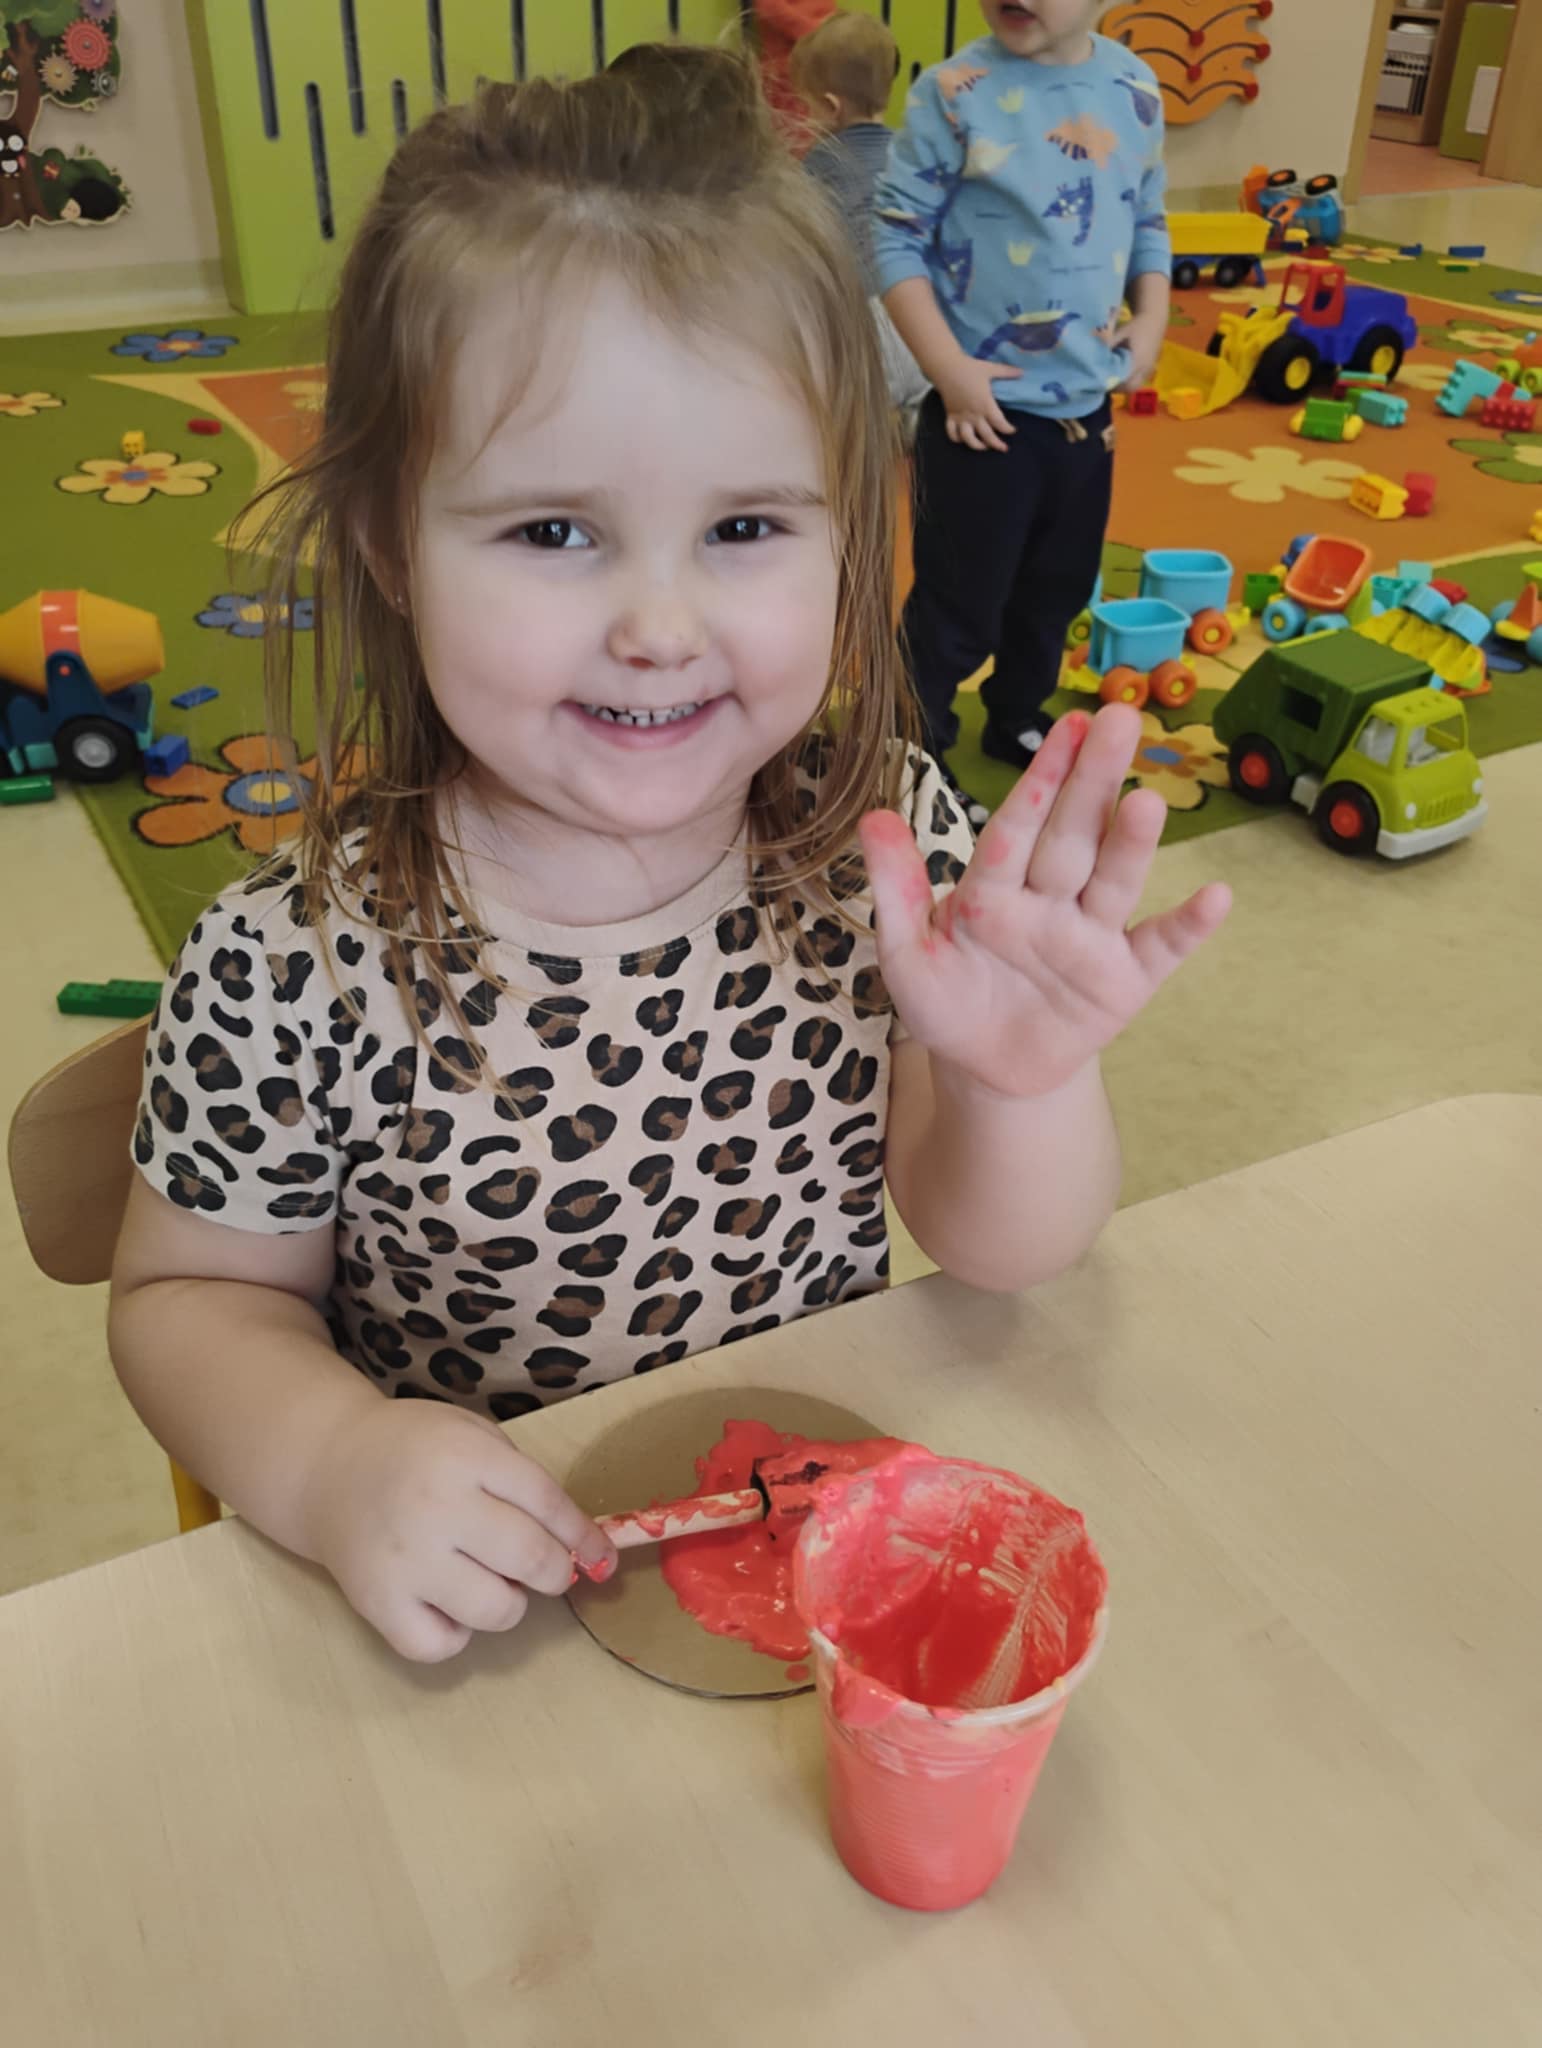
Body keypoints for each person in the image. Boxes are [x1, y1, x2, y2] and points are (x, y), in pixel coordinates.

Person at [108, 46, 1227, 1667]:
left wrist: (1017, 1087)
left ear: (847, 529)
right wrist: (334, 1460)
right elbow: (186, 1303)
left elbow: (1000, 1250)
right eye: (553, 530)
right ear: (387, 546)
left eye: (745, 527)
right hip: (489, 1634)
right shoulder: (291, 962)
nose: (658, 624)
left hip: (801, 1581)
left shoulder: (881, 845)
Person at [874, 0, 1173, 826]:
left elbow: (1147, 217)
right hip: (982, 419)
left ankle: (1015, 714)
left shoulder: (1133, 86)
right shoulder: (955, 91)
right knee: (958, 606)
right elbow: (894, 239)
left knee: (1056, 590)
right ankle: (908, 749)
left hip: (1086, 413)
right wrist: (948, 372)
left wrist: (1152, 316)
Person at [791, 11, 927, 415]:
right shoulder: (911, 157)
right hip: (923, 323)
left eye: (808, 107)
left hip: (868, 335)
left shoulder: (818, 167)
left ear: (831, 107)